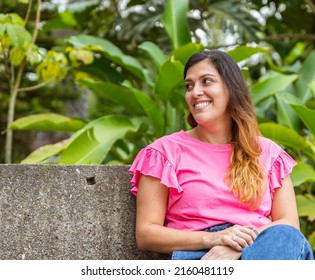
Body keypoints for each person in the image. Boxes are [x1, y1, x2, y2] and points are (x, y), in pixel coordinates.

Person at [128, 49, 314, 260]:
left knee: (286, 238)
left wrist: (237, 246)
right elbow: (146, 234)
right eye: (189, 86)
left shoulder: (268, 153)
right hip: (201, 257)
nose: (195, 92)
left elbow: (289, 223)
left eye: (206, 81)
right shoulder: (164, 153)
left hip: (262, 249)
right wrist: (214, 239)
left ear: (231, 89)